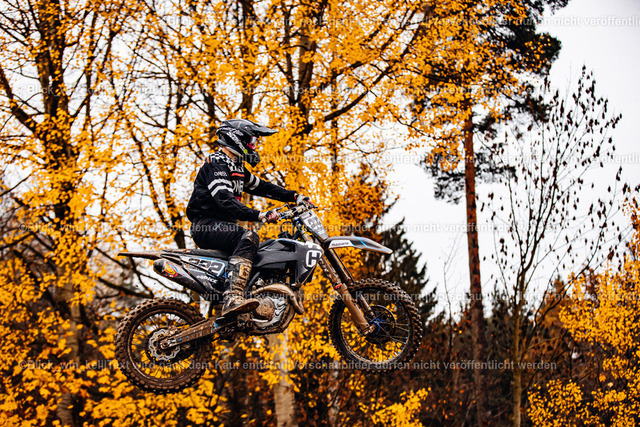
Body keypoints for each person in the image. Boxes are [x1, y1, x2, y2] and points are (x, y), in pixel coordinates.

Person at [186, 119, 313, 316]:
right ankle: (233, 297)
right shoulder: (216, 163)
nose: (253, 146)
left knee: (264, 248)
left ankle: (246, 299)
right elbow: (225, 200)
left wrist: (294, 196)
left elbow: (262, 187)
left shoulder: (235, 166)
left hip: (223, 227)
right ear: (236, 139)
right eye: (251, 141)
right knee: (249, 237)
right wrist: (259, 215)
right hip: (206, 225)